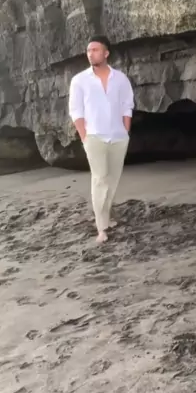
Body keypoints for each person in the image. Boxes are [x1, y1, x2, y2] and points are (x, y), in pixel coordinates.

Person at [69, 36, 134, 244]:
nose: (91, 54)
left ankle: (106, 217)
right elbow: (76, 111)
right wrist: (84, 136)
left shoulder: (120, 79)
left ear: (106, 53)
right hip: (94, 137)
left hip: (118, 137)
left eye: (95, 50)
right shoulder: (79, 80)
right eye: (89, 50)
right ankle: (101, 228)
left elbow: (127, 106)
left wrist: (125, 131)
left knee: (112, 180)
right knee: (99, 179)